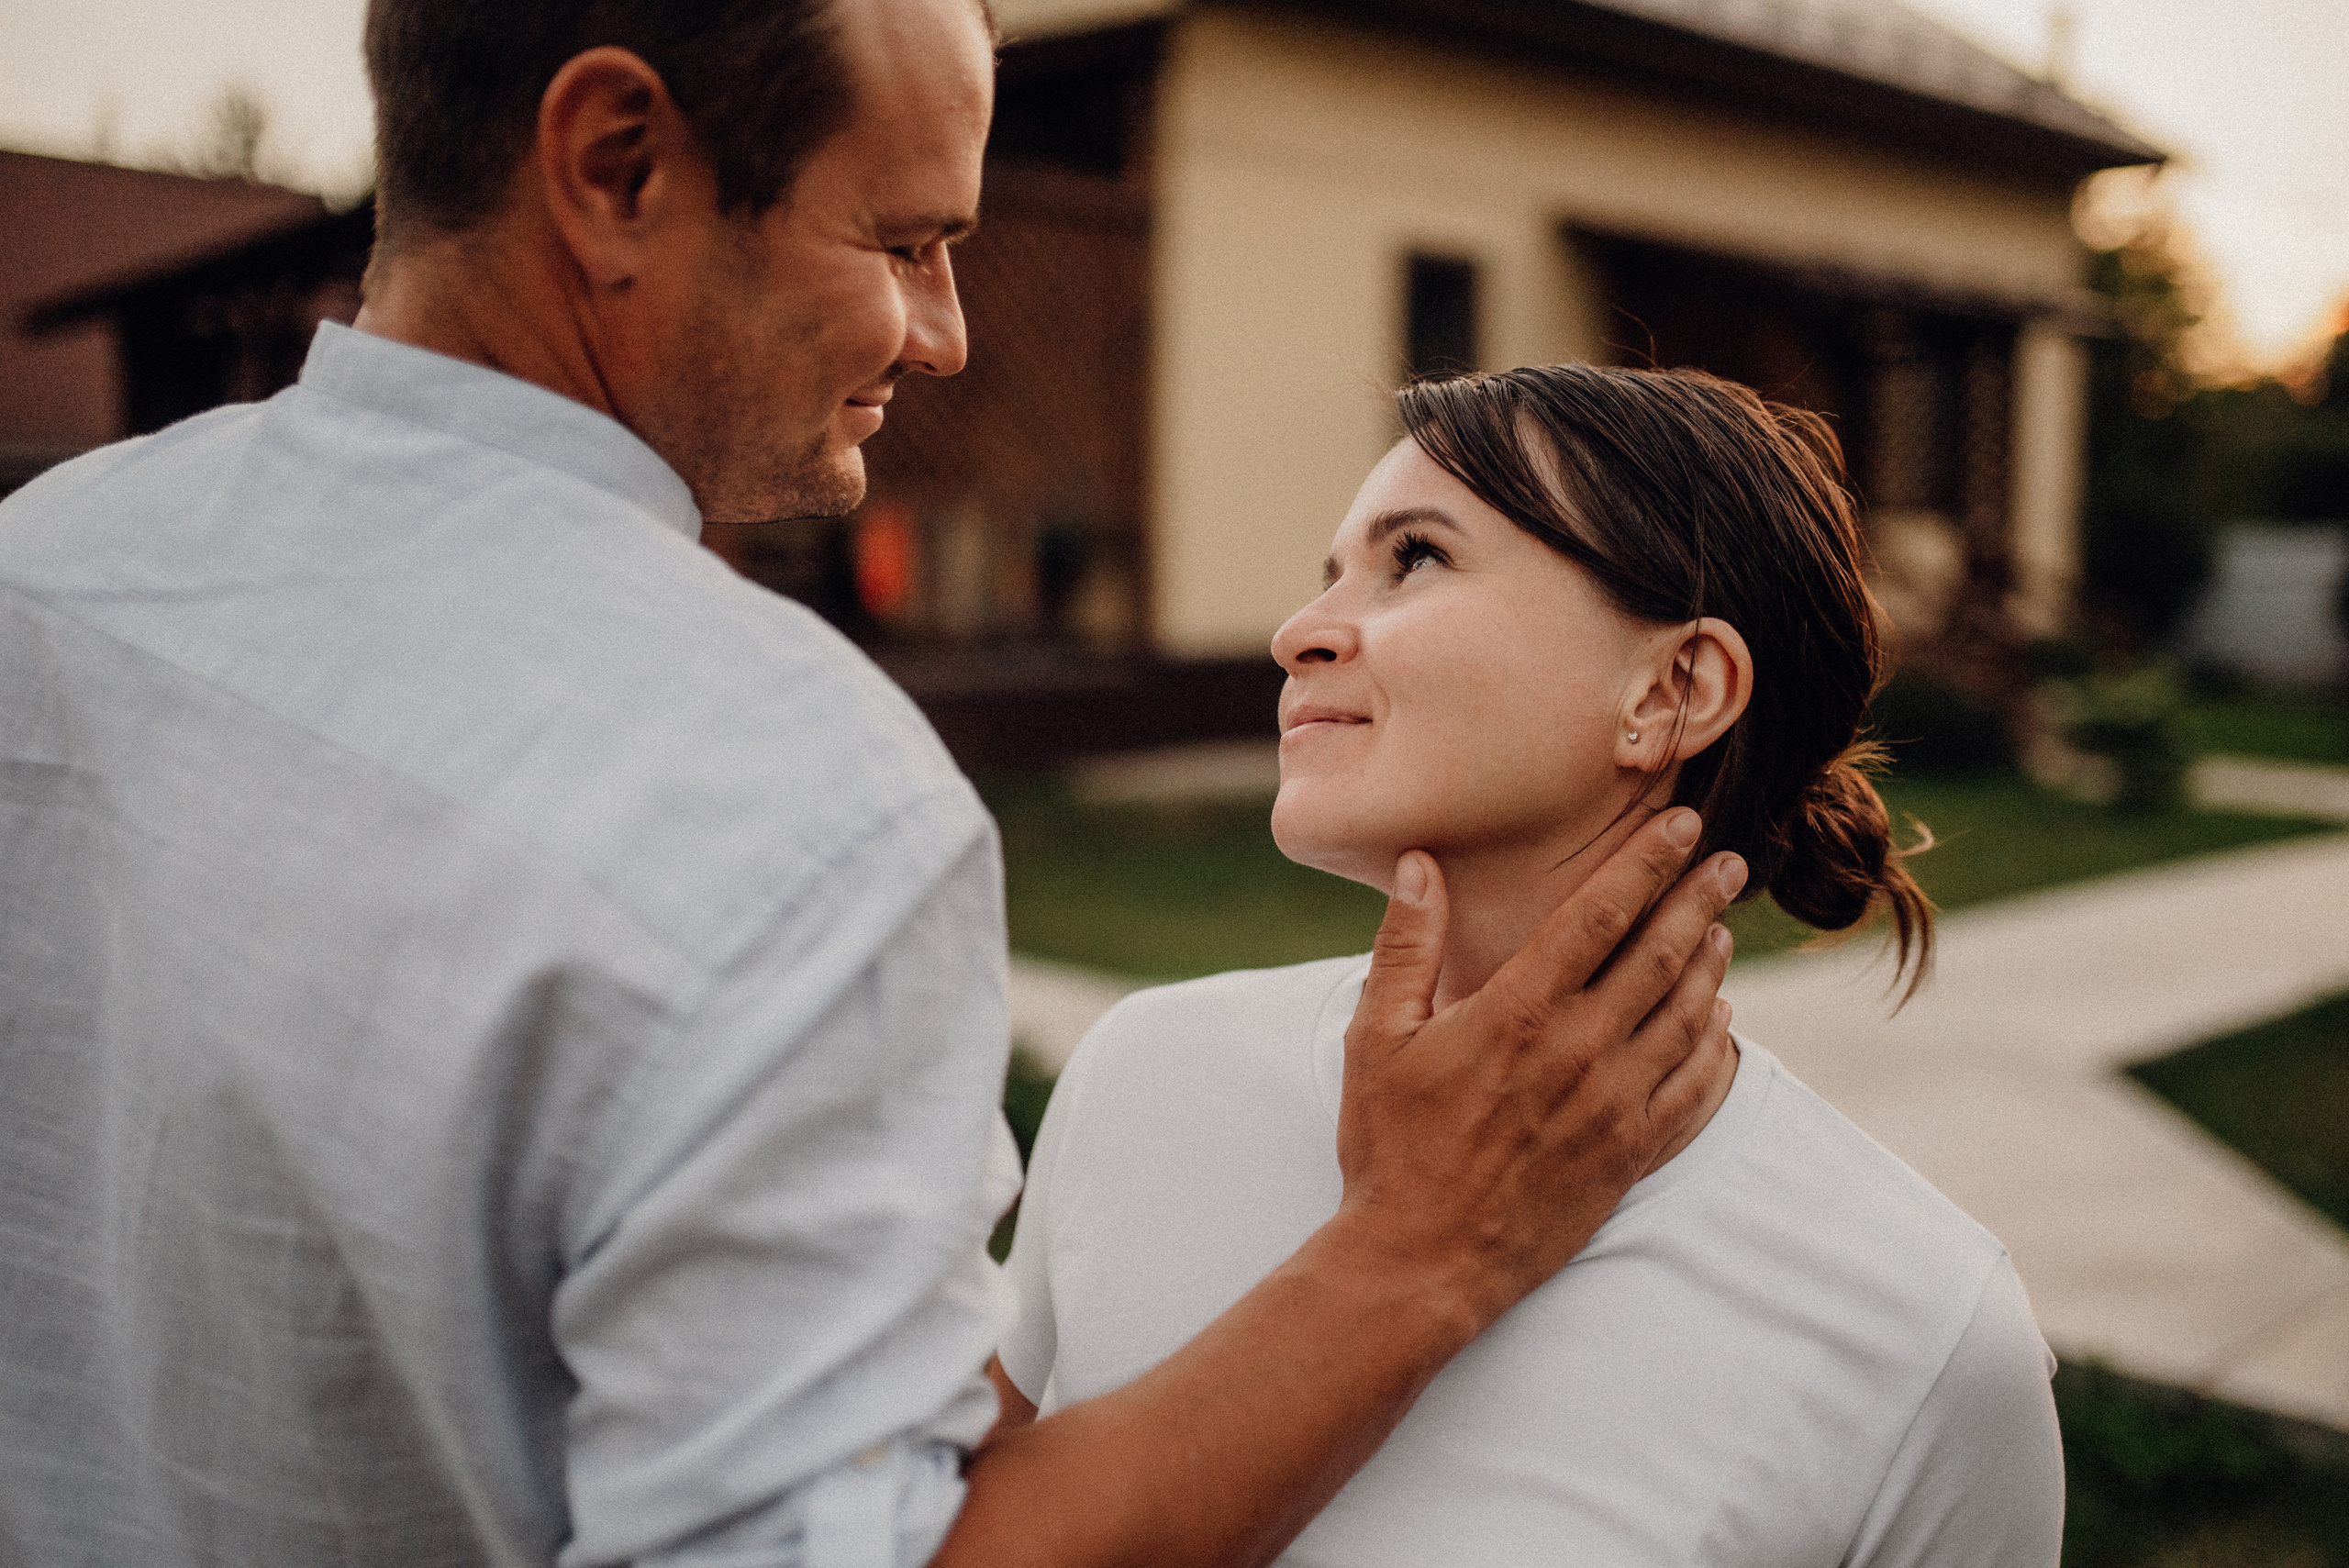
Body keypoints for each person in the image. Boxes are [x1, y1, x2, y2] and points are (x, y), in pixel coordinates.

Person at [0, 3, 1748, 1565]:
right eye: (907, 238)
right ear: (618, 168)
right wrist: (1421, 1252)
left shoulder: (52, 568)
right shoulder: (782, 800)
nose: (947, 333)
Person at [994, 365, 2068, 1565]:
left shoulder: (1927, 1330)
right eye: (1331, 572)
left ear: (1673, 689)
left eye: (1415, 559)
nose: (1301, 631)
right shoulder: (1146, 1072)